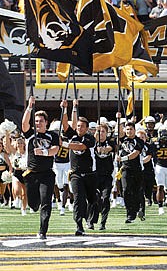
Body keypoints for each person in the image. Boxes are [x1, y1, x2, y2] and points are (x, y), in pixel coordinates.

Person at [21, 96, 60, 240]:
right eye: (36, 121)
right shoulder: (31, 134)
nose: (38, 123)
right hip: (32, 173)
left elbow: (55, 149)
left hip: (47, 174)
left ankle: (43, 231)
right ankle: (33, 206)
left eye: (40, 121)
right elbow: (24, 124)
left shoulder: (52, 135)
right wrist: (30, 107)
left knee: (46, 202)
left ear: (46, 122)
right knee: (33, 204)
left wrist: (44, 152)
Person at [61, 99, 97, 235]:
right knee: (78, 198)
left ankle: (90, 219)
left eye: (82, 126)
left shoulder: (90, 138)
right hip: (76, 173)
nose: (79, 128)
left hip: (90, 173)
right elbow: (65, 124)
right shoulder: (72, 135)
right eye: (78, 126)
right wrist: (66, 109)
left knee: (92, 199)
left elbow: (80, 147)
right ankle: (79, 225)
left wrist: (64, 145)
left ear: (87, 128)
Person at [118, 120, 144, 223]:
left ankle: (138, 209)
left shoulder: (139, 141)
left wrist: (123, 158)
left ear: (134, 130)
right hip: (125, 169)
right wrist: (118, 119)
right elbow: (119, 131)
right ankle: (130, 213)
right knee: (126, 190)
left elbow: (135, 153)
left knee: (136, 191)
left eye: (131, 129)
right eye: (127, 129)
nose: (129, 131)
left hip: (136, 169)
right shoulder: (122, 139)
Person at [91, 123, 114, 230]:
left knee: (105, 198)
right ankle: (91, 220)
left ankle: (103, 222)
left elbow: (110, 148)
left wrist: (104, 149)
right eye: (98, 131)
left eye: (103, 131)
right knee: (94, 198)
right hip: (95, 175)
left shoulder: (111, 142)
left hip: (107, 176)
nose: (101, 134)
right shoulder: (92, 143)